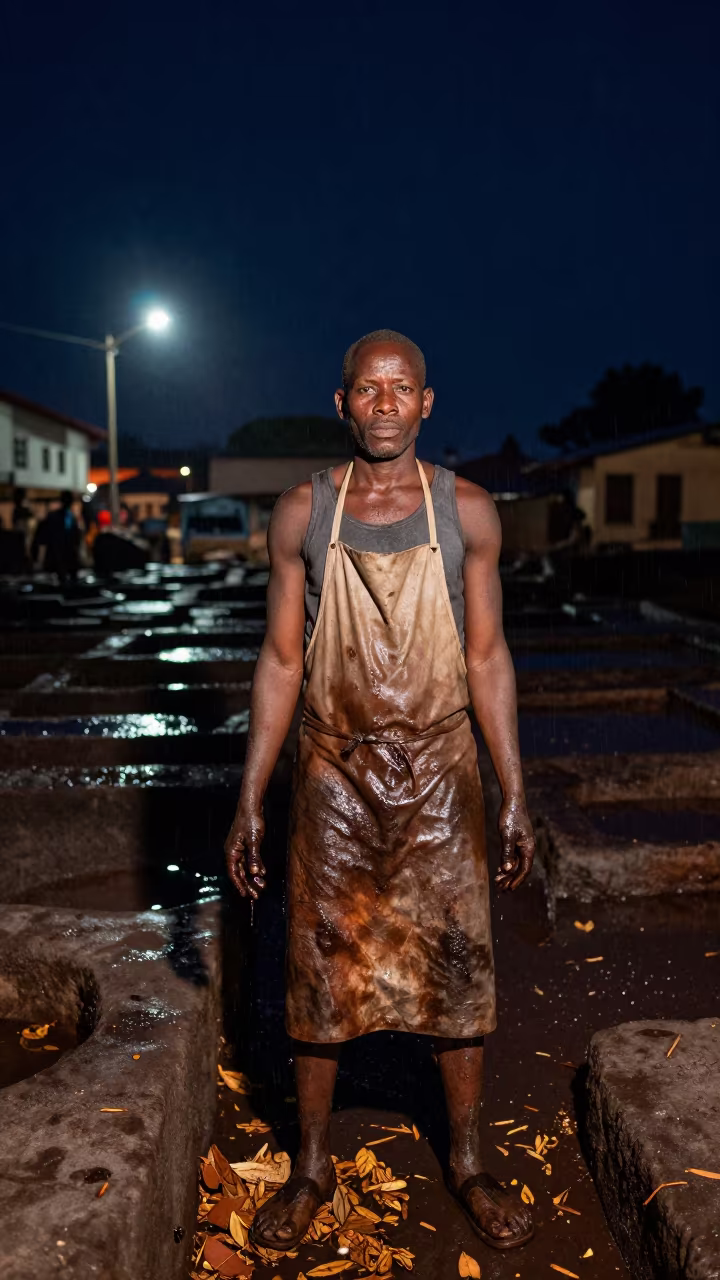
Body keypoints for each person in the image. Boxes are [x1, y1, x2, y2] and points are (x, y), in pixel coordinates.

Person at [225, 331, 536, 1252]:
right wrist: (251, 792)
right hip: (333, 779)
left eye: (404, 388)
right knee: (320, 977)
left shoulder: (469, 512)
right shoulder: (301, 513)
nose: (388, 402)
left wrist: (512, 787)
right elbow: (283, 660)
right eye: (370, 389)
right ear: (344, 402)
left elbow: (485, 656)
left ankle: (470, 1161)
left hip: (442, 779)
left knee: (456, 977)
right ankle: (312, 1166)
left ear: (427, 403)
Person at [32, 489, 81, 583]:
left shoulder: (70, 516)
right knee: (62, 579)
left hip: (68, 554)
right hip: (58, 554)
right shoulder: (56, 516)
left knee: (70, 579)